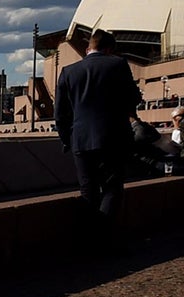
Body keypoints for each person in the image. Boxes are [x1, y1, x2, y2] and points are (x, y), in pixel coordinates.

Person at [53, 28, 143, 230]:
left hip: (81, 141)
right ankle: (102, 240)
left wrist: (67, 139)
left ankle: (90, 241)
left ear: (88, 48)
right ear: (110, 49)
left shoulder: (68, 71)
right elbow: (133, 99)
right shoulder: (118, 64)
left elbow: (60, 114)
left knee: (88, 192)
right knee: (112, 189)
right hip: (113, 138)